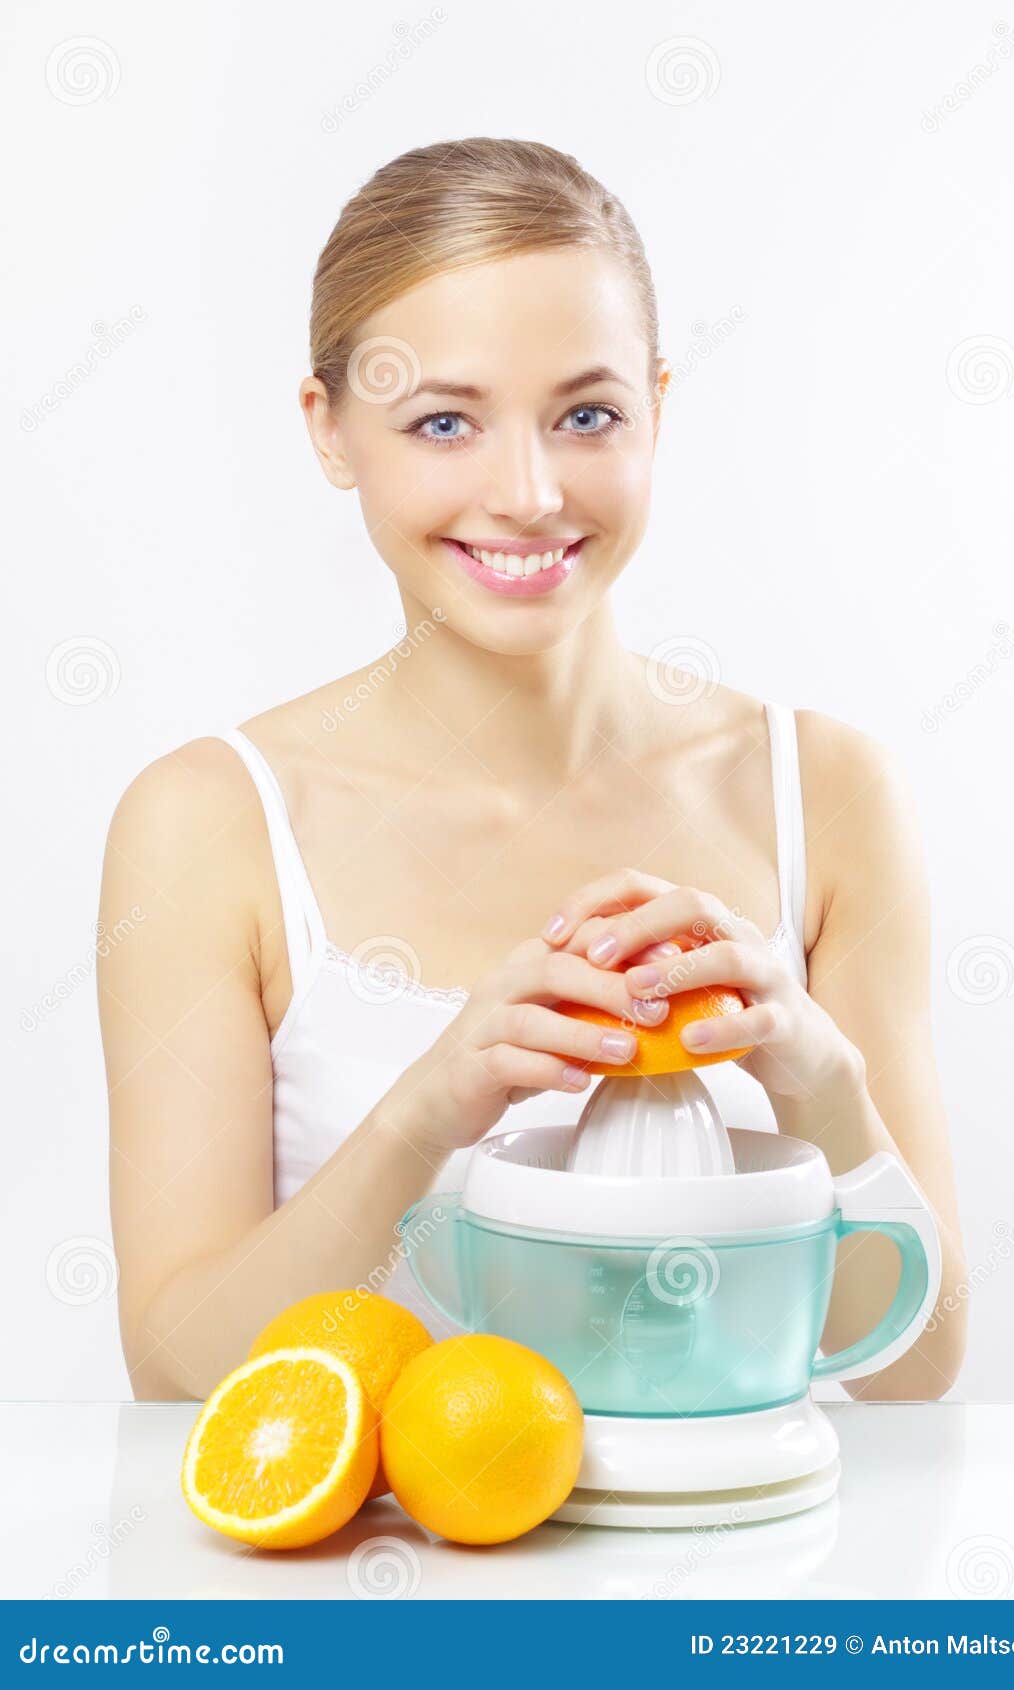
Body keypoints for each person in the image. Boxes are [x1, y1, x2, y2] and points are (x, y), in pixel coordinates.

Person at [97, 137, 966, 1405]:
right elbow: (180, 1374)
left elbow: (913, 1370)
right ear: (329, 429)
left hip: (744, 1535)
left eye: (586, 415)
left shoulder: (830, 794)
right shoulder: (205, 825)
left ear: (656, 409)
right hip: (393, 1546)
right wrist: (426, 1110)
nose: (526, 492)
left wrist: (822, 1086)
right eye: (443, 421)